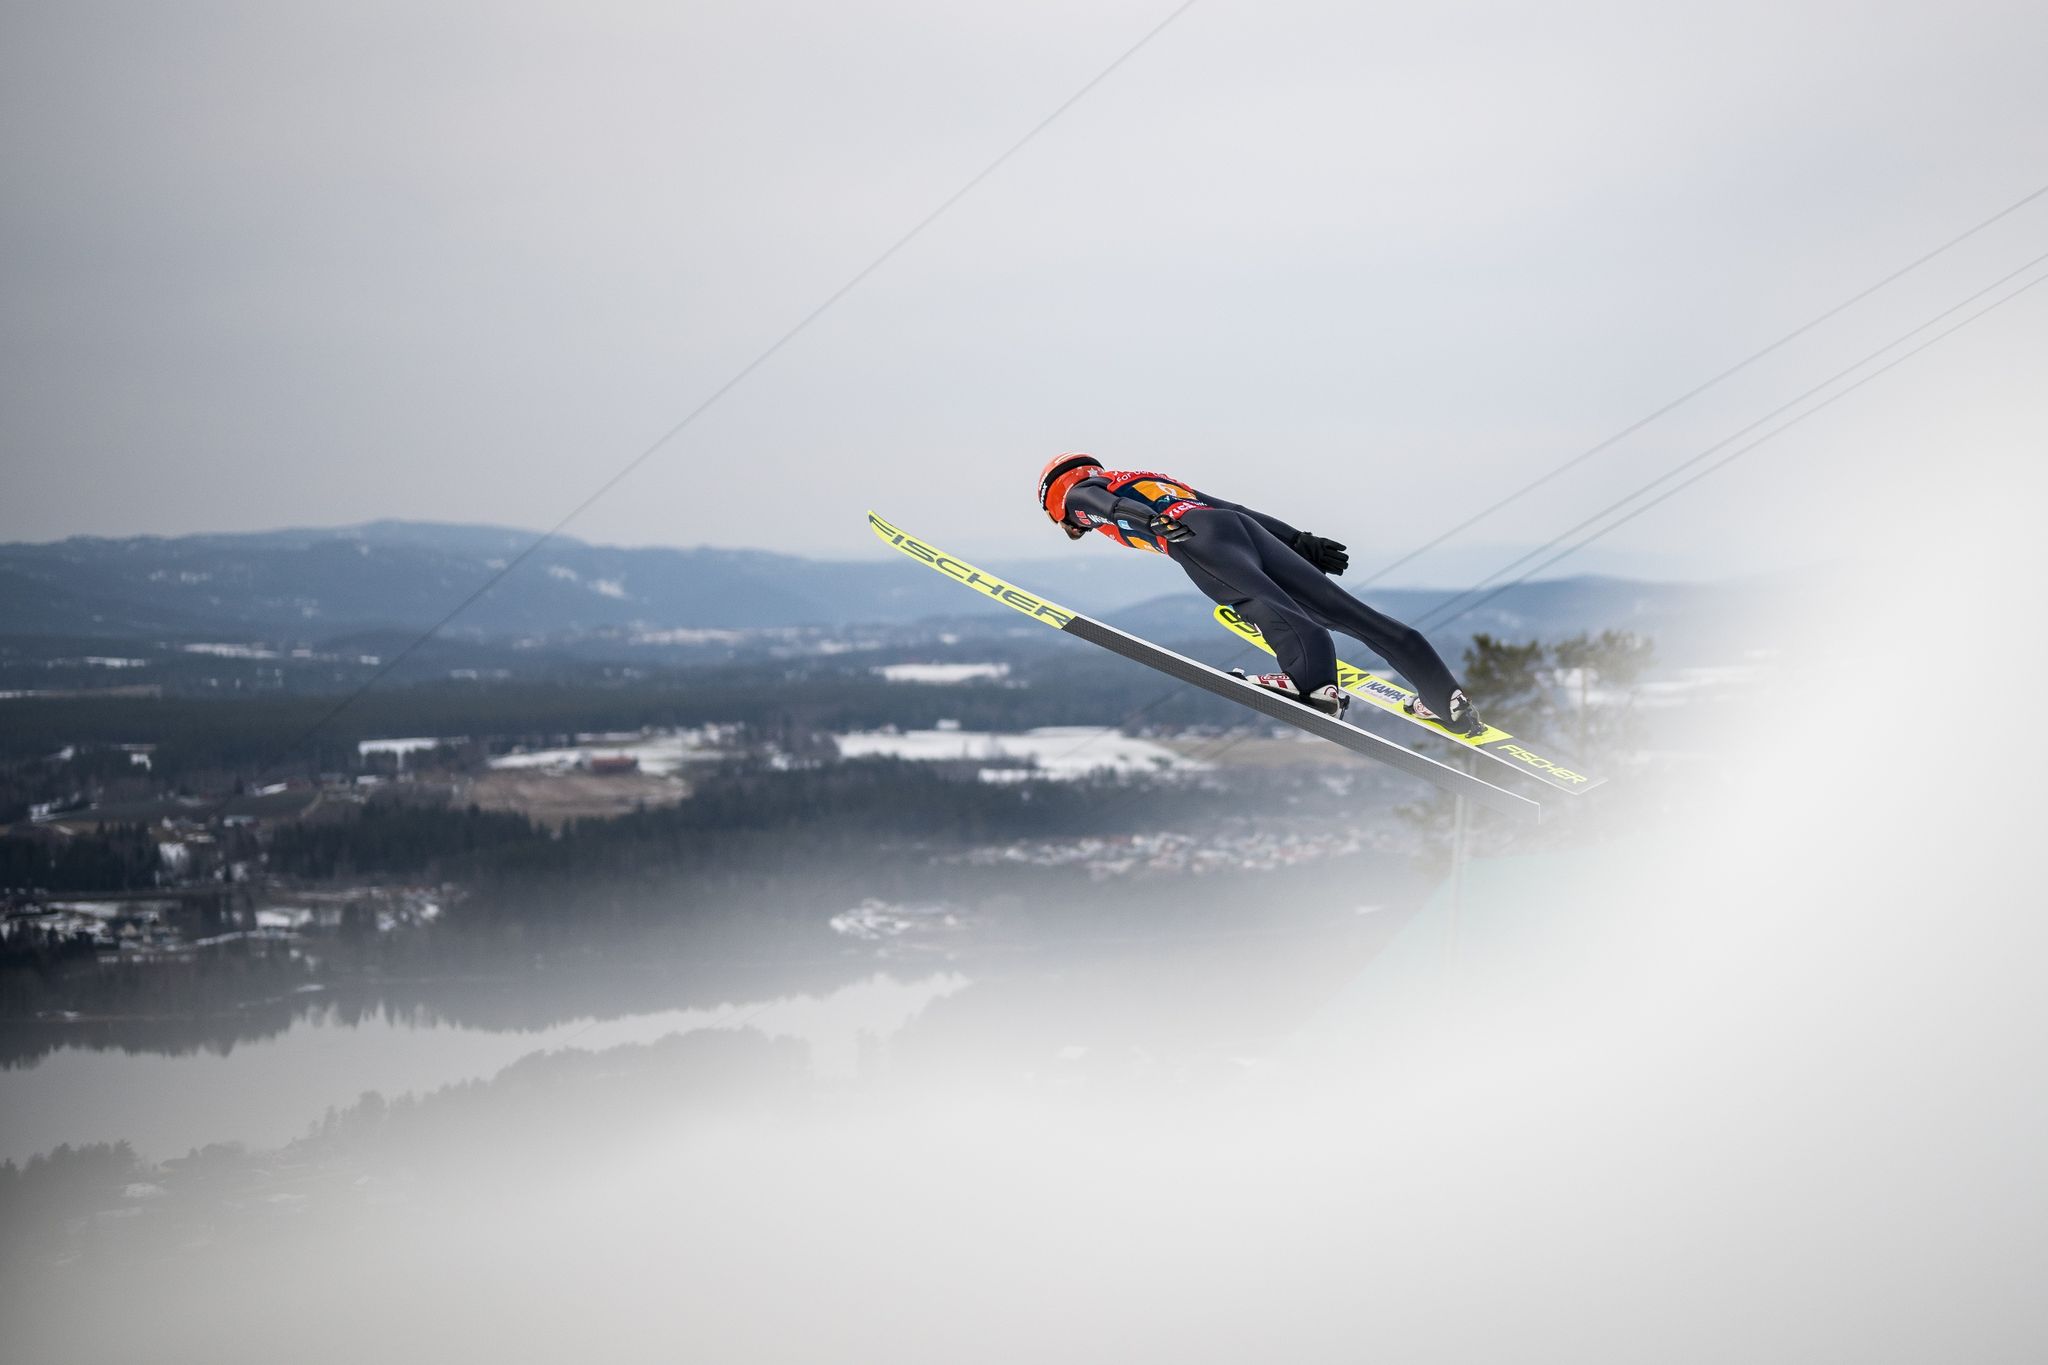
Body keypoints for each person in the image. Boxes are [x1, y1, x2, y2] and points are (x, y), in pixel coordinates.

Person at [1035, 453, 1483, 734]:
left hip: (1194, 536)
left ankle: (1313, 687)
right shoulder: (1141, 475)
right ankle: (1446, 699)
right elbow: (1235, 509)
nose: (1071, 527)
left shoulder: (1078, 494)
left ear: (1053, 500)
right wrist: (1299, 540)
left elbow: (1094, 505)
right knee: (1352, 614)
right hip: (1238, 528)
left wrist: (1144, 520)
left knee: (1265, 606)